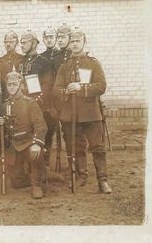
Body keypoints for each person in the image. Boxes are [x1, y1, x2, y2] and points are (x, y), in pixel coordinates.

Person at [53, 27, 112, 194]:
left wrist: (81, 87)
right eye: (72, 41)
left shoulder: (93, 63)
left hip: (91, 114)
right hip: (70, 115)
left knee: (98, 147)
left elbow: (101, 86)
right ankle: (81, 177)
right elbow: (56, 89)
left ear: (84, 43)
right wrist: (66, 90)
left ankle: (103, 181)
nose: (74, 44)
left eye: (78, 41)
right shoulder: (65, 66)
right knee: (76, 147)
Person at [0, 69, 48, 199]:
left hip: (28, 141)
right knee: (17, 183)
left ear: (21, 85)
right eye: (9, 85)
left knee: (36, 153)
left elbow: (40, 125)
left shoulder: (30, 103)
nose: (12, 87)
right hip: (13, 145)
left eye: (14, 84)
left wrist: (36, 143)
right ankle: (40, 176)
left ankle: (37, 184)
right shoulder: (4, 105)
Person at [19, 31, 63, 182]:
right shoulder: (21, 61)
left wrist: (35, 102)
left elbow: (47, 86)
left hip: (40, 106)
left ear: (33, 43)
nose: (22, 45)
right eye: (21, 42)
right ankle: (29, 171)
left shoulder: (44, 62)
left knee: (43, 138)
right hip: (23, 107)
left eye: (25, 42)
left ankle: (44, 170)